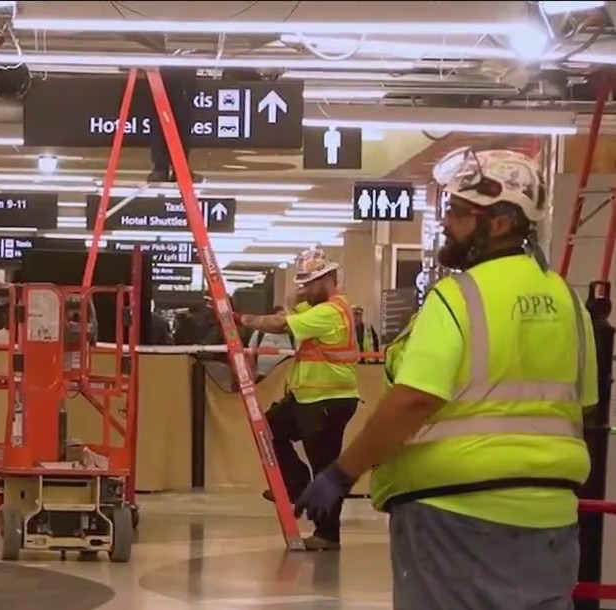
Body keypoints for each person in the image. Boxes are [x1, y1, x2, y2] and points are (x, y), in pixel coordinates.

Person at [294, 148, 596, 609]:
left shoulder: (459, 296)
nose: (446, 222)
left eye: (457, 212)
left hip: (454, 514)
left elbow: (415, 398)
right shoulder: (568, 301)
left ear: (499, 223)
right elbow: (584, 402)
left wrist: (342, 472)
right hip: (551, 515)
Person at [241, 248, 360, 551]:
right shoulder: (320, 308)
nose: (304, 289)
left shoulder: (329, 312)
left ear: (329, 279)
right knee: (269, 429)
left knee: (324, 467)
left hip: (327, 400)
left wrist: (241, 318)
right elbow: (293, 306)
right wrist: (305, 291)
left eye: (310, 283)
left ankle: (327, 534)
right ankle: (297, 486)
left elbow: (280, 324)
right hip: (309, 398)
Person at [249, 305, 294, 381]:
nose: (283, 319)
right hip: (261, 376)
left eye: (285, 316)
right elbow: (250, 354)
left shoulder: (291, 336)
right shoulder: (259, 333)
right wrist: (253, 373)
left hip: (282, 378)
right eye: (280, 316)